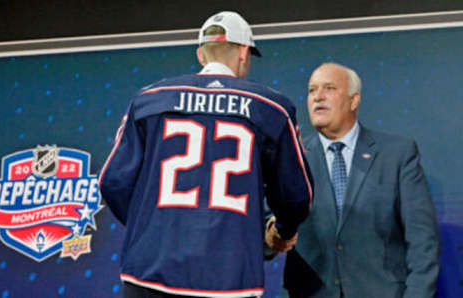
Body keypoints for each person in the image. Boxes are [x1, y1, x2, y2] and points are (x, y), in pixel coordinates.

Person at [99, 11, 313, 298]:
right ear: (243, 52)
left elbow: (112, 181)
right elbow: (296, 195)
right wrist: (282, 231)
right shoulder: (270, 108)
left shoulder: (150, 100)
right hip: (230, 277)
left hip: (150, 272)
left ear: (201, 55)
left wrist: (151, 225)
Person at [266, 63, 440, 298]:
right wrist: (271, 233)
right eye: (311, 90)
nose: (318, 96)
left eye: (329, 88)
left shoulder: (397, 154)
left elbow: (422, 242)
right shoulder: (293, 156)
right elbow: (265, 230)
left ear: (354, 100)